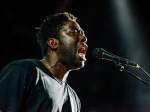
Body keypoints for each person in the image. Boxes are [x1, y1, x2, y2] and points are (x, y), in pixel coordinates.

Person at [0, 12, 88, 112]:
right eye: (75, 33)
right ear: (53, 43)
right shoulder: (23, 70)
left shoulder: (74, 99)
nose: (84, 38)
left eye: (83, 34)